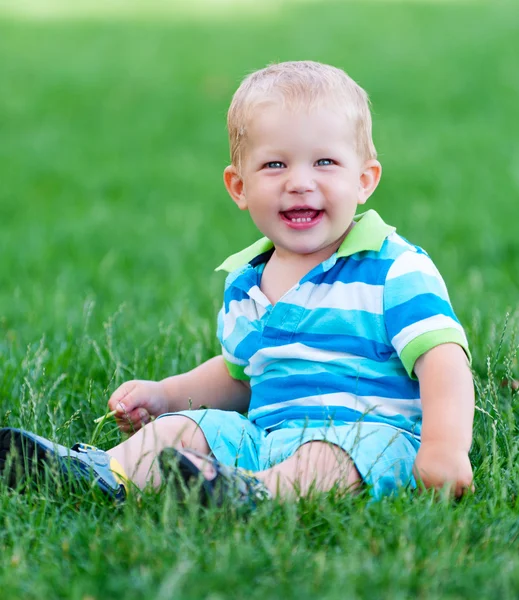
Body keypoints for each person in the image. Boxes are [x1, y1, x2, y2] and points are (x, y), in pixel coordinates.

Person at [0, 61, 475, 508]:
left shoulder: (393, 268)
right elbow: (238, 375)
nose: (300, 183)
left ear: (365, 179)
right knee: (188, 426)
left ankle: (257, 495)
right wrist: (167, 395)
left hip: (372, 439)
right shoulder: (247, 282)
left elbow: (443, 360)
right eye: (275, 166)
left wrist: (443, 447)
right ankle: (104, 473)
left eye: (325, 163)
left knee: (336, 452)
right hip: (267, 440)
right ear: (239, 187)